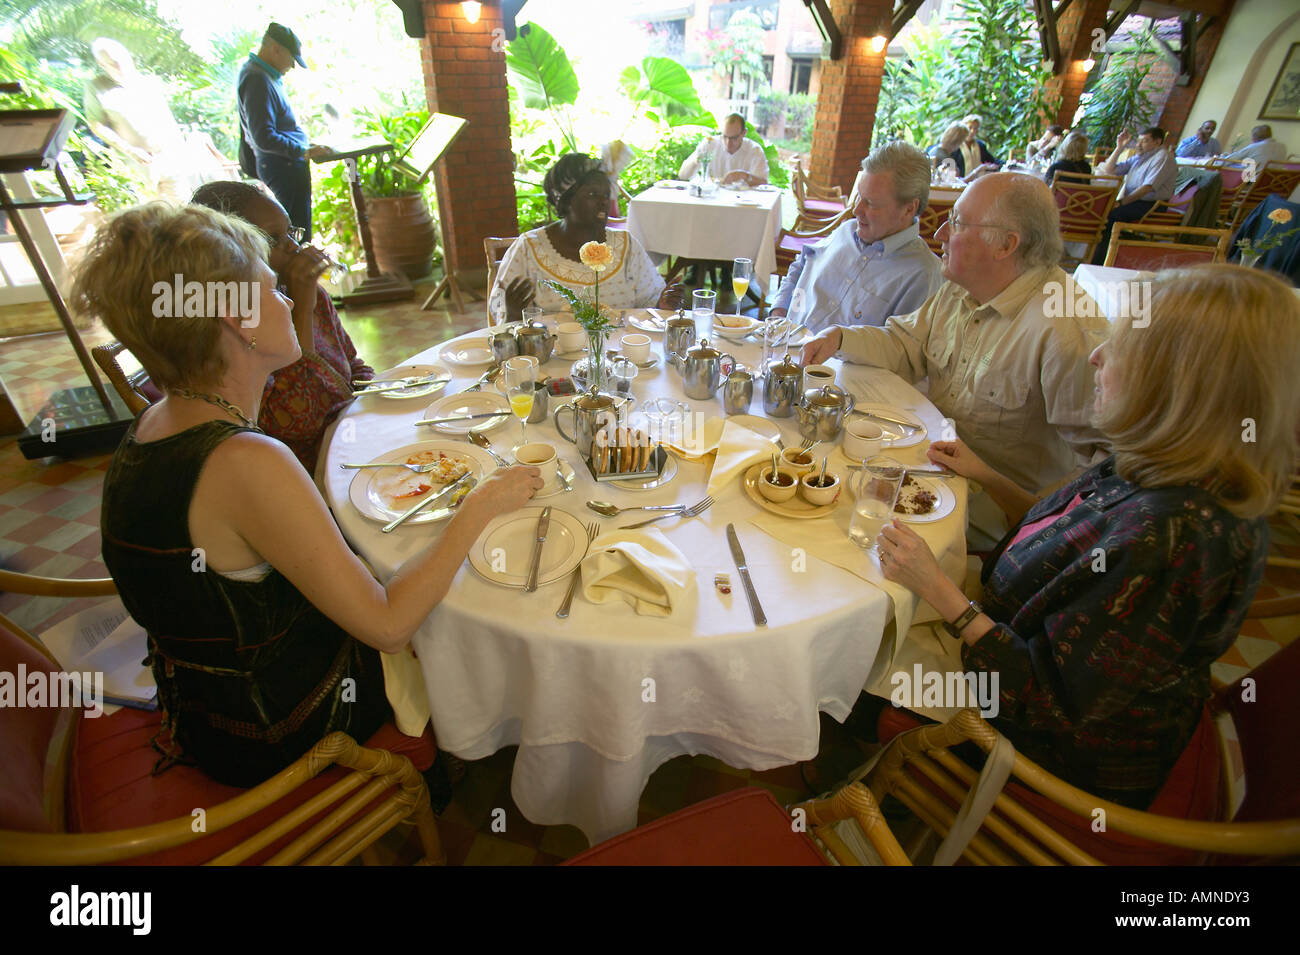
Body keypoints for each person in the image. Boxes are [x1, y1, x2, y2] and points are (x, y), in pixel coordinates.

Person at [73, 203, 542, 787]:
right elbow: (388, 626)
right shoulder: (246, 460)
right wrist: (480, 506)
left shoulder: (156, 423)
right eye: (272, 289)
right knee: (467, 606)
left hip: (203, 703)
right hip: (276, 728)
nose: (290, 301)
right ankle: (492, 747)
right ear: (237, 320)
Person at [875, 265, 1300, 807]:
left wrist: (944, 595)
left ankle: (871, 786)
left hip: (1054, 750)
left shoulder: (1175, 538)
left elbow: (1041, 698)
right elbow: (1065, 539)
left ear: (1177, 385)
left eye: (1120, 350)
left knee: (862, 657)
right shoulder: (1160, 460)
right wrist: (985, 474)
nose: (1096, 358)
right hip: (1012, 638)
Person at [801, 173, 1109, 548]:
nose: (941, 233)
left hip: (989, 521)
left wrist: (1026, 516)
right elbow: (903, 342)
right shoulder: (963, 286)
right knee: (811, 478)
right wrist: (839, 337)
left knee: (827, 536)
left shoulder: (1065, 329)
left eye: (958, 223)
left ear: (1006, 245)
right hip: (927, 475)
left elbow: (1102, 466)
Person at [192, 180, 373, 476]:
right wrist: (301, 308)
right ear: (229, 255)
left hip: (351, 443)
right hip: (310, 473)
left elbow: (353, 365)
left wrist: (377, 403)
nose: (293, 246)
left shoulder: (311, 294)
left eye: (291, 232)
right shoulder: (235, 327)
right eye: (273, 239)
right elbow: (301, 418)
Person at [770, 142, 941, 334]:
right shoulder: (846, 230)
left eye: (871, 203)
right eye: (859, 196)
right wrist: (778, 313)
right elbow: (801, 264)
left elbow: (901, 354)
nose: (856, 210)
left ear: (909, 208)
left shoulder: (922, 275)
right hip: (782, 345)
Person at [489, 154, 683, 324]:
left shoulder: (626, 246)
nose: (604, 201)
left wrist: (662, 304)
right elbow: (500, 308)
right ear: (563, 199)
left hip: (619, 359)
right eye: (592, 194)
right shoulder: (529, 248)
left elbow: (650, 304)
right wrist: (512, 314)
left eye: (606, 195)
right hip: (551, 359)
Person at [237, 22, 332, 240]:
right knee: (295, 236)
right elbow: (264, 137)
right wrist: (302, 151)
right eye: (292, 59)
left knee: (299, 230)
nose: (292, 66)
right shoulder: (257, 79)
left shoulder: (264, 76)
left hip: (285, 165)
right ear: (276, 49)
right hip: (282, 167)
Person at [1090, 127, 1177, 264]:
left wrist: (1122, 203)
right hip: (1135, 201)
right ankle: (1099, 256)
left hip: (1152, 204)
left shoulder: (1162, 158)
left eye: (1145, 141)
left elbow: (1147, 188)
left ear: (1158, 142)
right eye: (1138, 141)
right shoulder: (1140, 157)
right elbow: (1109, 170)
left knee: (1111, 216)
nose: (1138, 144)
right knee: (1103, 210)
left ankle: (1099, 262)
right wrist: (1119, 147)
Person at [678, 114, 769, 186]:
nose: (728, 143)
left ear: (743, 133)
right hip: (711, 198)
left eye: (734, 138)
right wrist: (696, 161)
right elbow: (683, 176)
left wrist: (744, 176)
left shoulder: (754, 150)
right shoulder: (709, 144)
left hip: (742, 202)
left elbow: (763, 182)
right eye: (725, 137)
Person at [952, 114, 1001, 179]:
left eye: (975, 128)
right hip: (960, 183)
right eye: (970, 128)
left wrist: (1008, 163)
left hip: (978, 184)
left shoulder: (980, 145)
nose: (972, 131)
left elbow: (993, 160)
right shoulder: (955, 146)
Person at [1224, 124, 1288, 166]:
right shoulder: (1283, 146)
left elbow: (1225, 161)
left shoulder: (1255, 146)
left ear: (1255, 137)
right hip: (1271, 183)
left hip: (1249, 182)